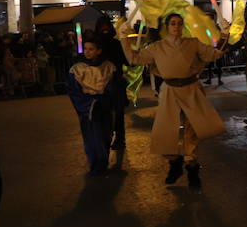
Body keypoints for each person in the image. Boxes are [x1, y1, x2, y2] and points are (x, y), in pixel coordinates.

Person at [119, 13, 228, 189]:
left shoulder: (192, 43)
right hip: (170, 91)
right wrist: (123, 37)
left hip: (191, 90)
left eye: (179, 23)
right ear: (167, 27)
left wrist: (224, 35)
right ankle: (174, 164)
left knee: (191, 131)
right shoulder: (157, 47)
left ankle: (192, 169)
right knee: (165, 131)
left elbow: (214, 54)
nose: (176, 26)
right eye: (172, 24)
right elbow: (134, 58)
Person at [66, 38, 118, 176]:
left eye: (91, 49)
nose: (87, 52)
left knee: (105, 135)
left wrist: (106, 100)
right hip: (88, 109)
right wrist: (88, 105)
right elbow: (73, 91)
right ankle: (95, 164)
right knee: (91, 138)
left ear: (99, 51)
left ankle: (103, 162)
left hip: (103, 106)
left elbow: (114, 88)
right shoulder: (77, 69)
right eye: (86, 49)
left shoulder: (108, 67)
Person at [94, 16, 128, 150]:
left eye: (106, 25)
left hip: (116, 83)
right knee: (103, 112)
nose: (104, 29)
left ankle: (120, 138)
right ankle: (106, 137)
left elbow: (126, 60)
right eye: (102, 26)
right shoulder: (96, 46)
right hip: (101, 84)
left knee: (118, 112)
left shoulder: (116, 44)